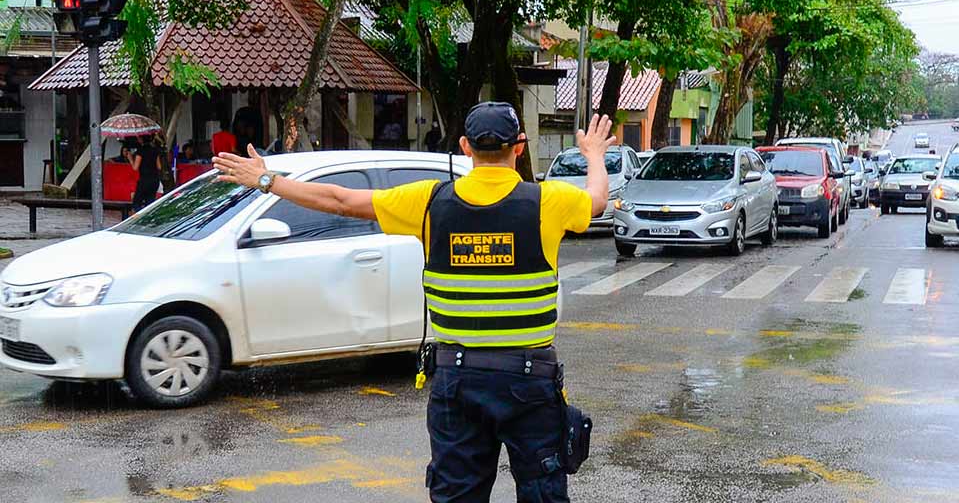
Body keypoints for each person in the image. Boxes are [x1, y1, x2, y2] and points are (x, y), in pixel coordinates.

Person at [214, 103, 614, 503]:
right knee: (543, 494)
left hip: (457, 381)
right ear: (520, 148)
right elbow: (596, 199)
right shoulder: (548, 201)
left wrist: (267, 179)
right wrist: (593, 154)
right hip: (528, 381)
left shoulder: (429, 201)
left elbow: (340, 200)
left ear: (465, 148)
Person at [127, 134, 162, 211]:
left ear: (141, 139)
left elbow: (135, 167)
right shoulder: (155, 150)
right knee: (150, 203)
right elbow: (159, 166)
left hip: (144, 180)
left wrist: (130, 159)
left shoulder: (141, 151)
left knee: (136, 203)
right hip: (154, 180)